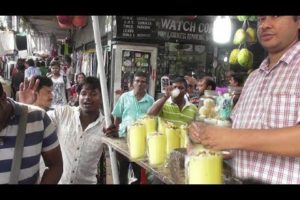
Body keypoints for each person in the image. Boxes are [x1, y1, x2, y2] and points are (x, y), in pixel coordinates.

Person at [188, 16, 300, 184]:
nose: (265, 25)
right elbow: (239, 135)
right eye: (261, 19)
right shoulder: (254, 78)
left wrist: (229, 137)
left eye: (275, 16)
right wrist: (206, 141)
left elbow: (235, 136)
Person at [19, 76, 116, 184]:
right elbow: (38, 123)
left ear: (102, 97)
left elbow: (115, 157)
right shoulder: (63, 113)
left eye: (93, 94)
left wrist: (114, 138)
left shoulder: (107, 126)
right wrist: (27, 106)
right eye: (83, 93)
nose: (87, 97)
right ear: (78, 96)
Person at [0, 81, 63, 184]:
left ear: (3, 97)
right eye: (48, 92)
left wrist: (25, 116)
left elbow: (55, 165)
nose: (51, 96)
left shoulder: (39, 118)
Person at [112, 71, 154, 184]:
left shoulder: (150, 100)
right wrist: (114, 136)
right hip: (123, 138)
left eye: (143, 81)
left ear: (147, 85)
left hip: (141, 141)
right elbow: (117, 116)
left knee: (137, 172)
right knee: (122, 170)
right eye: (137, 81)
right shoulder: (125, 97)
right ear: (132, 83)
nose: (140, 84)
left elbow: (153, 121)